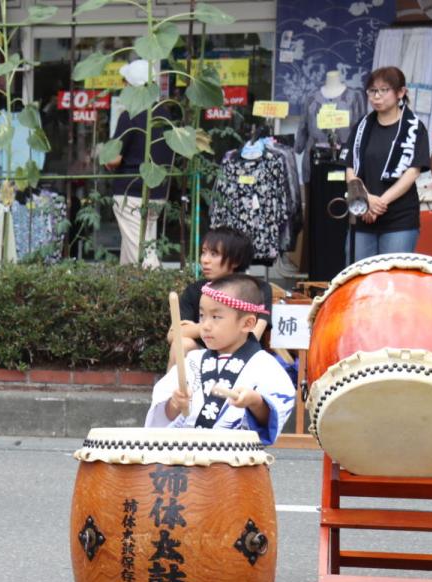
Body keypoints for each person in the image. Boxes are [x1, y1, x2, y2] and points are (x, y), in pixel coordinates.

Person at [146, 274, 296, 445]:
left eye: (216, 317)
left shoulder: (265, 366)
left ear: (247, 324)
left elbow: (271, 419)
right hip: (186, 459)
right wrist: (174, 404)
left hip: (237, 464)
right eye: (202, 316)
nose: (205, 325)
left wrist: (255, 401)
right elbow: (161, 419)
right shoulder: (192, 361)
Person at [342, 66, 430, 261]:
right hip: (363, 213)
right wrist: (366, 199)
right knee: (358, 277)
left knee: (392, 279)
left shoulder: (414, 128)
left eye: (384, 90)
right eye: (372, 91)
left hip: (400, 219)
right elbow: (350, 168)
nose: (377, 96)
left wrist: (380, 202)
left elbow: (412, 172)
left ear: (401, 92)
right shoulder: (362, 126)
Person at [104, 60, 175, 268]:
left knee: (141, 253)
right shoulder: (164, 113)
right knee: (134, 250)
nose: (123, 87)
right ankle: (128, 295)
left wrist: (103, 153)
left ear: (132, 87)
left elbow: (113, 159)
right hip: (157, 191)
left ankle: (159, 295)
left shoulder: (130, 115)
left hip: (130, 194)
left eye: (125, 83)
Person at [168, 227, 272, 358]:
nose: (205, 260)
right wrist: (212, 326)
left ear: (236, 261)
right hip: (203, 354)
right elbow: (173, 335)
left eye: (214, 254)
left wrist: (196, 328)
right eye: (204, 252)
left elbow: (254, 334)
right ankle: (177, 380)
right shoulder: (194, 290)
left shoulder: (257, 289)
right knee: (182, 344)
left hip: (243, 356)